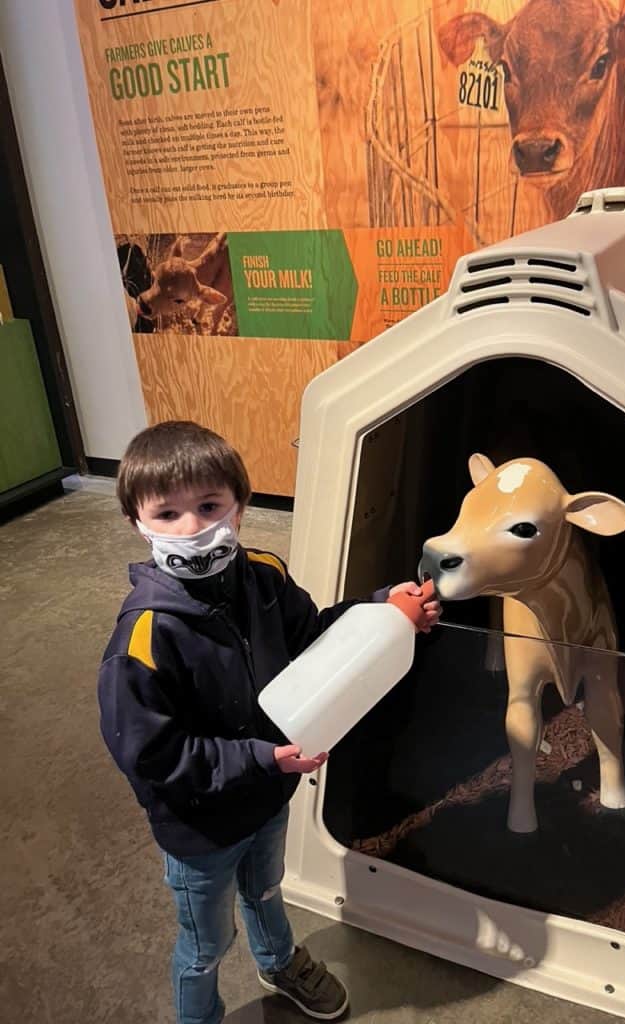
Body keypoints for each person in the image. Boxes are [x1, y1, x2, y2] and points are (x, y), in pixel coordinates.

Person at [97, 420, 440, 1024]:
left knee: (264, 889)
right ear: (136, 522)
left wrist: (383, 607)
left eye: (209, 506)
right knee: (205, 946)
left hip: (267, 796)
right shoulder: (146, 638)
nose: (194, 527)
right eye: (168, 513)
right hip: (200, 829)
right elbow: (154, 756)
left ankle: (278, 960)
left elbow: (313, 640)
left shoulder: (265, 576)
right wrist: (261, 757)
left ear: (241, 507)